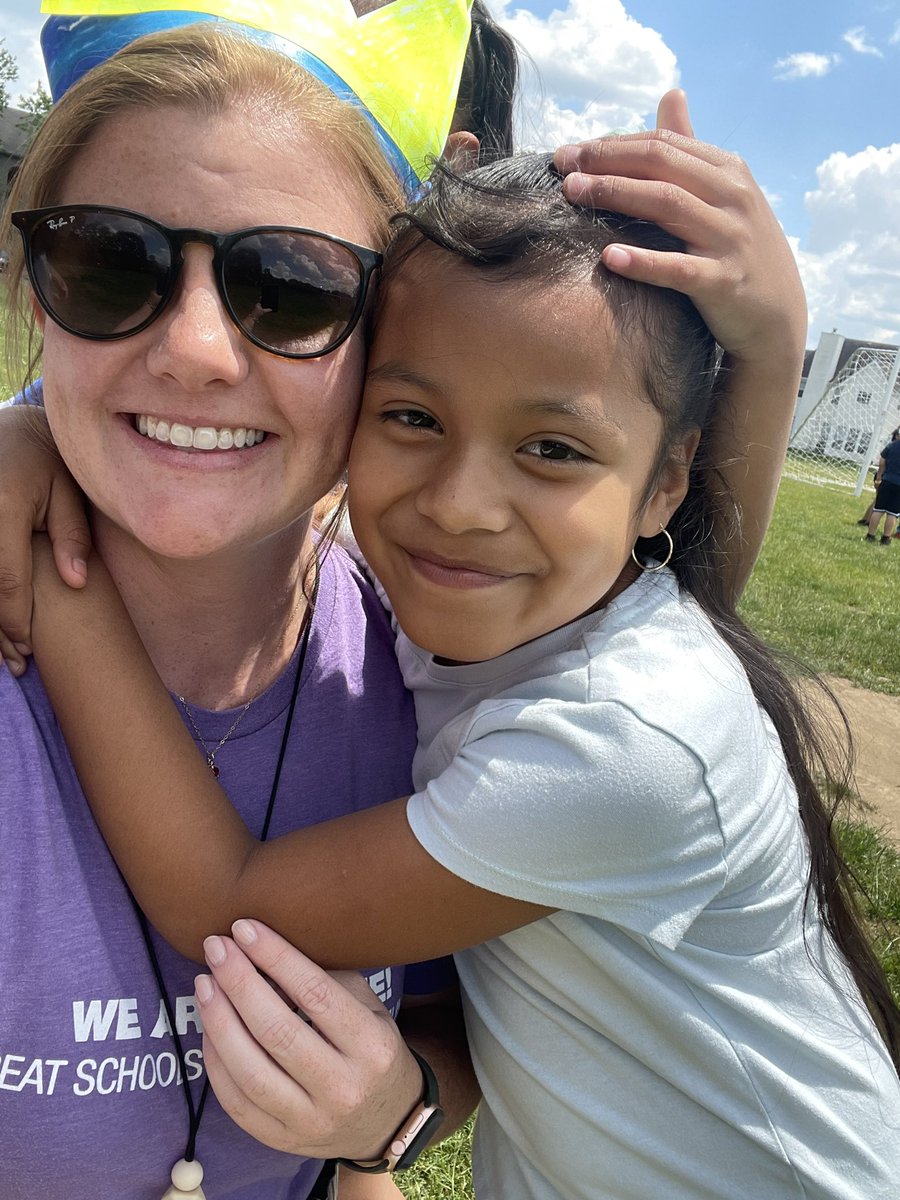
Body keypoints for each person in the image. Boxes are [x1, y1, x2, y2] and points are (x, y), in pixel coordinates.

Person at [21, 147, 900, 1200]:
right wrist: (38, 422)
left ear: (667, 482)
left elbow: (224, 896)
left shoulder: (627, 742)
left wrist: (48, 565)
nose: (461, 505)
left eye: (553, 451)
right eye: (414, 419)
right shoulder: (519, 626)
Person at [0, 17, 492, 1200]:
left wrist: (395, 1117)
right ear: (35, 288)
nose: (199, 349)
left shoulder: (433, 674)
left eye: (290, 285)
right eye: (110, 262)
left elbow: (440, 1026)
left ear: (389, 328)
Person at [858, 426, 899, 529]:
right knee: (890, 511)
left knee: (878, 502)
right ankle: (870, 522)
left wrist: (879, 477)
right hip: (890, 477)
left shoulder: (892, 445)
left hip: (884, 476)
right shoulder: (894, 445)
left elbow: (882, 461)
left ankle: (866, 520)